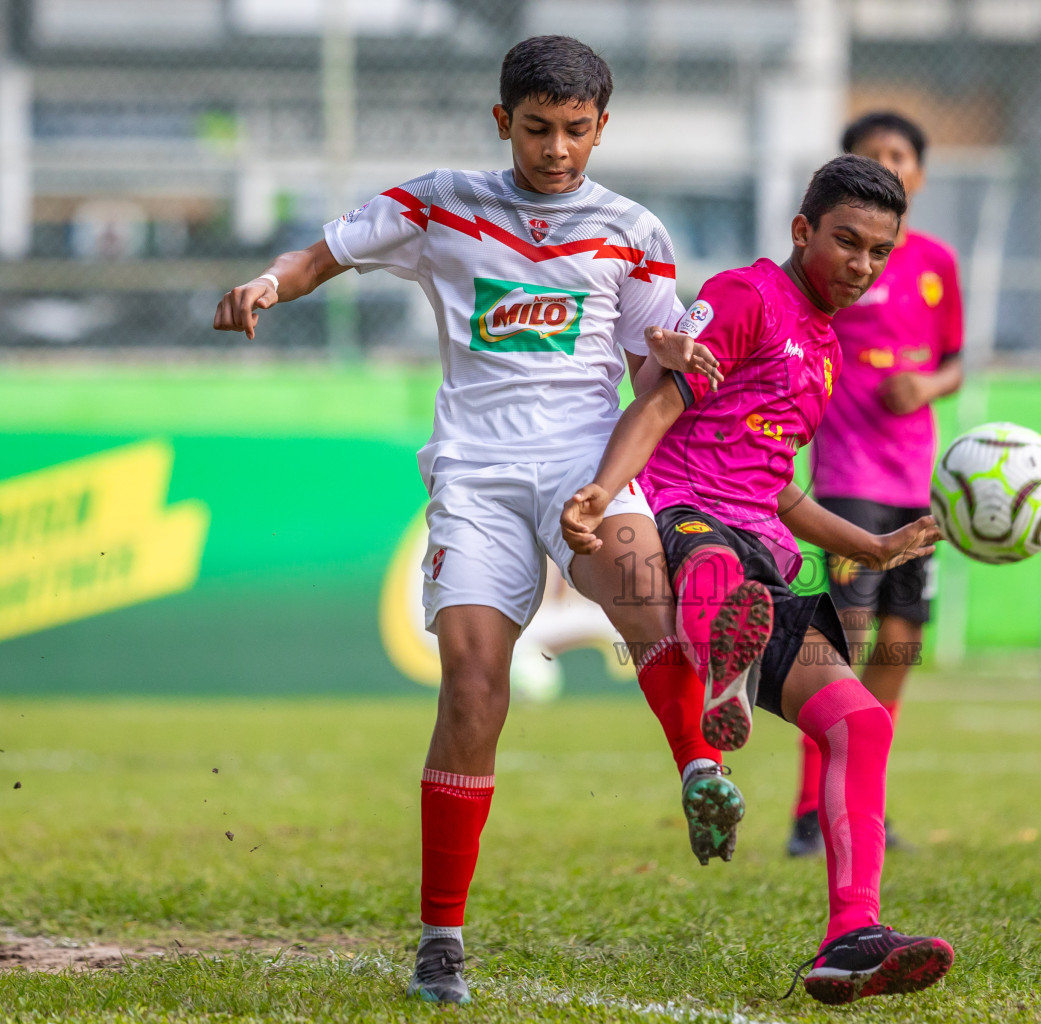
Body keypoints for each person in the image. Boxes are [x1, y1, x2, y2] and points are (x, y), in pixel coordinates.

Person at [212, 35, 743, 1004]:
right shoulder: (439, 203)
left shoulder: (633, 230)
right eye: (537, 129)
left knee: (642, 591)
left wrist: (673, 349)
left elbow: (652, 359)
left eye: (576, 131)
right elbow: (324, 253)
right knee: (472, 692)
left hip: (586, 462)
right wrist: (267, 286)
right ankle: (441, 939)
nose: (556, 149)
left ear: (601, 128)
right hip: (477, 473)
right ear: (504, 122)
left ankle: (701, 768)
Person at [562, 155, 954, 1005]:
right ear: (802, 230)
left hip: (763, 552)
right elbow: (663, 401)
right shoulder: (743, 296)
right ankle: (721, 671)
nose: (861, 264)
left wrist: (875, 547)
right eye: (846, 241)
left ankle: (851, 936)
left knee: (860, 724)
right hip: (685, 516)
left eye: (879, 253)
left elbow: (780, 484)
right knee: (714, 562)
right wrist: (600, 489)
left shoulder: (825, 347)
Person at [788, 112, 964, 858]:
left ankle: (868, 807)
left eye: (900, 156)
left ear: (919, 174)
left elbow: (957, 360)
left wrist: (925, 386)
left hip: (913, 482)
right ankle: (808, 811)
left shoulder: (935, 264)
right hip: (847, 478)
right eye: (872, 156)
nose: (889, 165)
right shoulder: (839, 262)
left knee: (899, 645)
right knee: (847, 636)